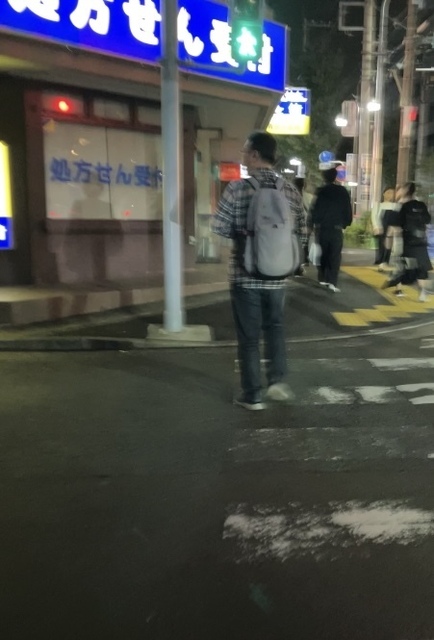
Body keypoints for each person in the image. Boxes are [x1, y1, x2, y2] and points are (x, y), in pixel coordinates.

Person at [212, 130, 304, 411]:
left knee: (249, 337)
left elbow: (219, 227)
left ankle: (252, 395)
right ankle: (277, 381)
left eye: (245, 152)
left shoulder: (237, 188)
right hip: (278, 275)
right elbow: (302, 229)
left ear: (254, 155)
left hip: (245, 274)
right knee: (275, 327)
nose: (243, 157)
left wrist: (244, 236)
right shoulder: (289, 190)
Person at [384, 182, 432, 301]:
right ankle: (422, 293)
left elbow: (394, 226)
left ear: (405, 191)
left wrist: (388, 241)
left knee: (403, 266)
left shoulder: (401, 206)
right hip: (421, 241)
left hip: (407, 242)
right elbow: (427, 220)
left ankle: (398, 288)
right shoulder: (421, 205)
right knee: (421, 268)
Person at [309, 167, 353, 292]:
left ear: (324, 177)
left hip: (322, 228)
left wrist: (312, 224)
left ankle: (322, 278)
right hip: (336, 228)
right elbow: (347, 208)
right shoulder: (342, 191)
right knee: (334, 255)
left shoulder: (321, 191)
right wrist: (345, 223)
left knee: (323, 253)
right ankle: (332, 281)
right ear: (335, 177)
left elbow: (315, 209)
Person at [371, 187, 399, 271]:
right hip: (381, 226)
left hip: (391, 226)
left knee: (388, 245)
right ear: (383, 194)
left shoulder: (396, 206)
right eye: (388, 192)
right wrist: (376, 226)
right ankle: (380, 260)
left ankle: (385, 260)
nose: (390, 195)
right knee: (381, 244)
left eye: (392, 193)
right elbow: (374, 216)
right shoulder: (378, 205)